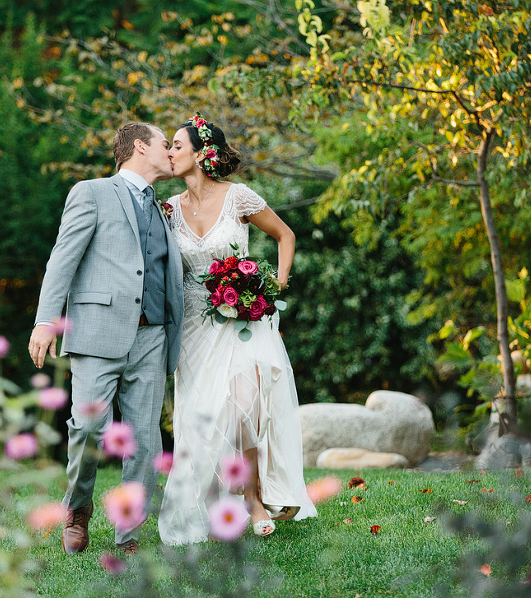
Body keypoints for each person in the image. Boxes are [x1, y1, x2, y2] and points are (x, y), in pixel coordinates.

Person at [158, 114, 317, 544]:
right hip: (193, 325)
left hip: (244, 320)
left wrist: (273, 286)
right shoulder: (168, 209)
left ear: (201, 152)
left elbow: (286, 236)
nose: (169, 152)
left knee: (246, 404)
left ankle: (255, 498)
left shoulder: (239, 197)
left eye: (176, 145)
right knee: (201, 413)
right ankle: (212, 500)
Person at [29, 122, 184, 556]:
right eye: (163, 145)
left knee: (145, 439)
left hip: (152, 336)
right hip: (97, 334)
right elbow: (63, 257)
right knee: (88, 429)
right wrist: (46, 321)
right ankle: (77, 510)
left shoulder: (162, 207)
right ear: (139, 146)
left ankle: (128, 533)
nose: (171, 152)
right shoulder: (92, 192)